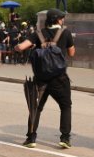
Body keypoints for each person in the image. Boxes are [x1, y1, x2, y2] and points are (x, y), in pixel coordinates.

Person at [15, 9, 75, 149]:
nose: (63, 20)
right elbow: (72, 53)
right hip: (59, 78)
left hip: (40, 79)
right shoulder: (65, 32)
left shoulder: (38, 33)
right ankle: (65, 138)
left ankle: (31, 138)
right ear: (58, 20)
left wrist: (17, 46)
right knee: (65, 106)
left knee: (35, 108)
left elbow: (22, 47)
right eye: (62, 18)